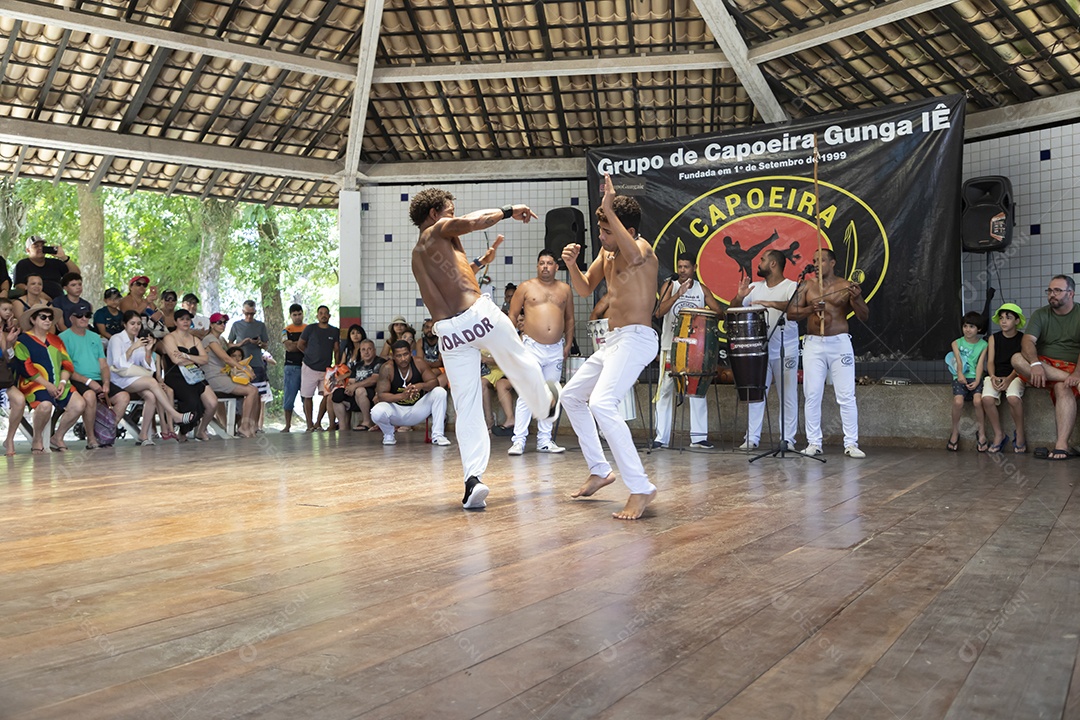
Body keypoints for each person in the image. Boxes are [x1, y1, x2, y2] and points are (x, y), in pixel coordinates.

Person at [409, 187, 557, 510]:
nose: (453, 216)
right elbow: (474, 222)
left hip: (448, 333)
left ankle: (472, 480)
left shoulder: (417, 256)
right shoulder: (438, 228)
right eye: (449, 210)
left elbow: (450, 282)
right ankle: (544, 404)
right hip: (476, 316)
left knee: (467, 405)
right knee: (517, 357)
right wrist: (509, 209)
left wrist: (479, 262)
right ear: (434, 214)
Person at [559, 175, 659, 520]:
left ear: (628, 231)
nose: (601, 238)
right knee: (571, 395)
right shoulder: (609, 251)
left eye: (608, 231)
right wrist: (571, 265)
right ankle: (600, 470)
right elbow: (586, 289)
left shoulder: (641, 250)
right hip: (613, 341)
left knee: (602, 403)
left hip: (638, 338)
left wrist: (608, 207)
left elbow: (634, 256)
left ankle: (641, 487)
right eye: (600, 231)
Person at [763, 248, 868, 458]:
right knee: (812, 394)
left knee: (846, 395)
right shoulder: (807, 285)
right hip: (813, 343)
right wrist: (811, 309)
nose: (817, 264)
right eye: (814, 260)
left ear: (832, 263)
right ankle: (814, 442)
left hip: (839, 343)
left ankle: (851, 443)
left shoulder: (846, 285)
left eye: (821, 260)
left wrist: (856, 299)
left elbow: (864, 316)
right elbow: (792, 314)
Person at [730, 249, 799, 451]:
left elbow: (795, 307)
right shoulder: (754, 287)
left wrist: (769, 303)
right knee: (756, 394)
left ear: (773, 264)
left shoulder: (791, 286)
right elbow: (733, 308)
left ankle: (788, 439)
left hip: (787, 349)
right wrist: (739, 296)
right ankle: (752, 438)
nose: (758, 263)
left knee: (788, 395)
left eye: (762, 260)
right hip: (760, 350)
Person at [507, 249, 575, 455]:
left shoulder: (565, 289)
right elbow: (511, 315)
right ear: (537, 266)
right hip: (531, 347)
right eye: (541, 263)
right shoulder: (526, 287)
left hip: (555, 349)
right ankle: (518, 440)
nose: (545, 266)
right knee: (528, 393)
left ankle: (544, 440)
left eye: (549, 263)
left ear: (556, 266)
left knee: (552, 394)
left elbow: (570, 318)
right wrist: (513, 344)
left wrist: (568, 344)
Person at [652, 255, 723, 450]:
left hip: (694, 350)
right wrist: (677, 295)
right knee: (665, 391)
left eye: (686, 267)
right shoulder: (669, 285)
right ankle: (661, 437)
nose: (682, 270)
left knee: (696, 390)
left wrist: (702, 313)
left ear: (695, 268)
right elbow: (659, 312)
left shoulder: (701, 289)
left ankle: (699, 437)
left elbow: (719, 311)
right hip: (670, 348)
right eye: (680, 267)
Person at [1012, 275, 1080, 460]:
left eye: (1057, 290)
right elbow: (1027, 341)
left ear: (1071, 293)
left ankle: (1061, 445)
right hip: (1043, 367)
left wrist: (1077, 372)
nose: (1052, 294)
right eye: (1049, 291)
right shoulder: (1041, 314)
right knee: (1017, 359)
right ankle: (1067, 378)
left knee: (1061, 387)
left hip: (1073, 366)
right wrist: (1034, 363)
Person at [107, 310, 194, 444]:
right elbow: (119, 364)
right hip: (118, 378)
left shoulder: (138, 340)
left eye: (138, 324)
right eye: (132, 323)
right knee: (153, 383)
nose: (136, 327)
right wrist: (132, 348)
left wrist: (148, 351)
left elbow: (149, 368)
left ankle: (143, 435)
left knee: (151, 396)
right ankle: (175, 415)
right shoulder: (116, 339)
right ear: (124, 324)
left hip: (136, 378)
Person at [12, 304, 85, 453]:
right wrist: (48, 385)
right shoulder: (23, 340)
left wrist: (63, 382)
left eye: (50, 317)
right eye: (43, 317)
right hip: (34, 383)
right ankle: (37, 438)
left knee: (79, 404)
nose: (47, 320)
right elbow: (26, 368)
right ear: (33, 320)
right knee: (45, 406)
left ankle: (57, 437)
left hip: (59, 382)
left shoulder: (56, 340)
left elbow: (67, 365)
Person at [60, 306, 131, 449]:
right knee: (90, 395)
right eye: (79, 315)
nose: (84, 318)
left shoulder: (94, 337)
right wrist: (88, 381)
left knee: (124, 397)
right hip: (76, 378)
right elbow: (66, 368)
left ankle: (105, 432)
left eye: (87, 315)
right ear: (71, 318)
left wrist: (106, 382)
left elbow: (104, 365)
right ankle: (91, 438)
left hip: (97, 378)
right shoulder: (63, 338)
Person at [370, 340, 451, 446]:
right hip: (396, 411)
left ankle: (438, 435)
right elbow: (381, 395)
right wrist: (402, 396)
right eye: (399, 356)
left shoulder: (419, 363)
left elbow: (434, 382)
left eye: (405, 354)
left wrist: (420, 386)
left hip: (417, 409)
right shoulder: (387, 368)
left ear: (411, 352)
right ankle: (389, 434)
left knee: (439, 392)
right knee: (376, 412)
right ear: (393, 356)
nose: (403, 359)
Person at [161, 308, 217, 441]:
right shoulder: (169, 337)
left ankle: (201, 429)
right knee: (192, 402)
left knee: (212, 402)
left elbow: (205, 359)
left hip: (195, 374)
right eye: (182, 319)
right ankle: (183, 431)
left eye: (187, 319)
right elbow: (176, 360)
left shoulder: (195, 339)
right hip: (176, 376)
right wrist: (193, 359)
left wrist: (186, 356)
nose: (185, 322)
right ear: (175, 322)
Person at [202, 313, 259, 438]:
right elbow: (226, 358)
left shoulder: (220, 340)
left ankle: (249, 425)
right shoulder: (209, 339)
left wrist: (246, 342)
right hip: (213, 377)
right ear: (211, 325)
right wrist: (244, 369)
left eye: (224, 322)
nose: (223, 325)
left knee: (254, 390)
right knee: (251, 391)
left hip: (223, 375)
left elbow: (232, 349)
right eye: (219, 322)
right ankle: (244, 427)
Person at [982, 303, 1027, 454]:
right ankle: (999, 434)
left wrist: (1009, 379)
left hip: (1015, 375)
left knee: (1013, 398)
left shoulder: (1023, 339)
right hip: (996, 375)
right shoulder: (994, 338)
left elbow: (1022, 363)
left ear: (1016, 321)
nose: (1003, 321)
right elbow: (990, 361)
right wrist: (993, 376)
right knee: (987, 399)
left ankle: (1020, 433)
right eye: (1001, 318)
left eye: (1008, 318)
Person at [947, 311, 988, 452]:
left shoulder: (983, 345)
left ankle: (981, 433)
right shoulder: (956, 343)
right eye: (965, 326)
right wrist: (959, 374)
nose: (968, 330)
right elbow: (958, 362)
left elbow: (980, 364)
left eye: (971, 326)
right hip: (959, 377)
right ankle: (955, 432)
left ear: (979, 329)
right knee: (958, 401)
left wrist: (977, 380)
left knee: (978, 401)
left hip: (975, 377)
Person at [297, 305, 340, 432]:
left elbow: (336, 350)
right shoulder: (310, 329)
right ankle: (309, 425)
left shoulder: (334, 331)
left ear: (329, 316)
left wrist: (336, 367)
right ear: (317, 315)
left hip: (326, 370)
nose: (323, 315)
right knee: (307, 396)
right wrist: (310, 355)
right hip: (309, 367)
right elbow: (300, 345)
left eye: (326, 313)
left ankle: (318, 423)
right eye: (321, 313)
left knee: (327, 396)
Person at [228, 300, 270, 429]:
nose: (249, 316)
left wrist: (258, 343)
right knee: (240, 396)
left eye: (252, 314)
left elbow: (266, 344)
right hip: (239, 366)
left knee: (257, 395)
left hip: (256, 364)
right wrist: (242, 343)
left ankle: (255, 426)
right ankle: (238, 424)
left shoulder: (261, 326)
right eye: (247, 313)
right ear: (243, 311)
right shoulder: (236, 325)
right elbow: (229, 344)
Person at [334, 338, 383, 430]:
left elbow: (374, 380)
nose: (366, 352)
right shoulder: (358, 365)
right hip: (357, 396)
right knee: (337, 394)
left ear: (374, 350)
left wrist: (355, 386)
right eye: (363, 349)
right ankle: (343, 427)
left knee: (359, 390)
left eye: (369, 349)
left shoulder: (379, 362)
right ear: (360, 351)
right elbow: (351, 381)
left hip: (374, 395)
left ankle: (367, 422)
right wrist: (349, 388)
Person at [13, 236, 79, 300]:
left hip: (59, 301)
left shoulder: (55, 263)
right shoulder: (23, 264)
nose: (40, 248)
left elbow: (76, 274)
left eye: (42, 245)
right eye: (36, 246)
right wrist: (41, 295)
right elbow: (19, 286)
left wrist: (64, 257)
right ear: (28, 250)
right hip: (36, 302)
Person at [1, 298, 27, 456]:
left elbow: (8, 358)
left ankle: (9, 438)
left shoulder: (6, 332)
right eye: (5, 309)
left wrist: (9, 343)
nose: (9, 312)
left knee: (19, 400)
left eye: (10, 309)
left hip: (2, 378)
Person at [281, 303, 306, 433]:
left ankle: (310, 424)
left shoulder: (308, 329)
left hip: (306, 367)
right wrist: (302, 344)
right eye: (294, 315)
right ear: (290, 316)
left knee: (306, 397)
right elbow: (289, 347)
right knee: (289, 396)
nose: (297, 317)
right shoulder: (286, 330)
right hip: (291, 367)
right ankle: (287, 425)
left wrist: (296, 344)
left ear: (303, 313)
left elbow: (312, 346)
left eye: (299, 314)